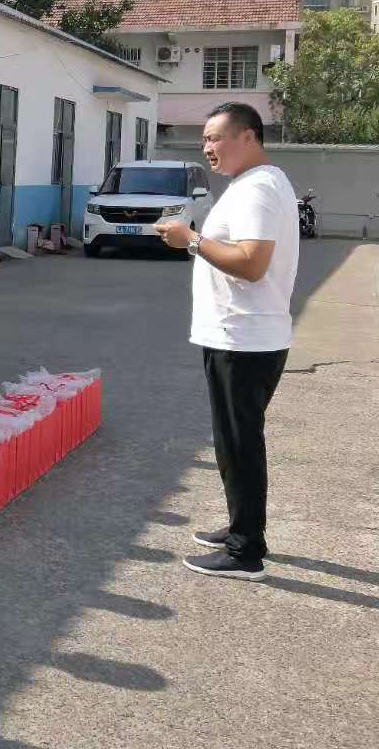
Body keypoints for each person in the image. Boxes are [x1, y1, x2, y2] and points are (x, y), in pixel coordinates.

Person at [154, 101, 299, 582]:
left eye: (215, 138)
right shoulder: (251, 184)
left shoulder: (259, 188)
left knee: (239, 443)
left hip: (245, 338)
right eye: (204, 140)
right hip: (240, 334)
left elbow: (252, 263)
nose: (207, 148)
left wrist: (191, 240)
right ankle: (242, 526)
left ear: (248, 137)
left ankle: (245, 551)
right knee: (232, 440)